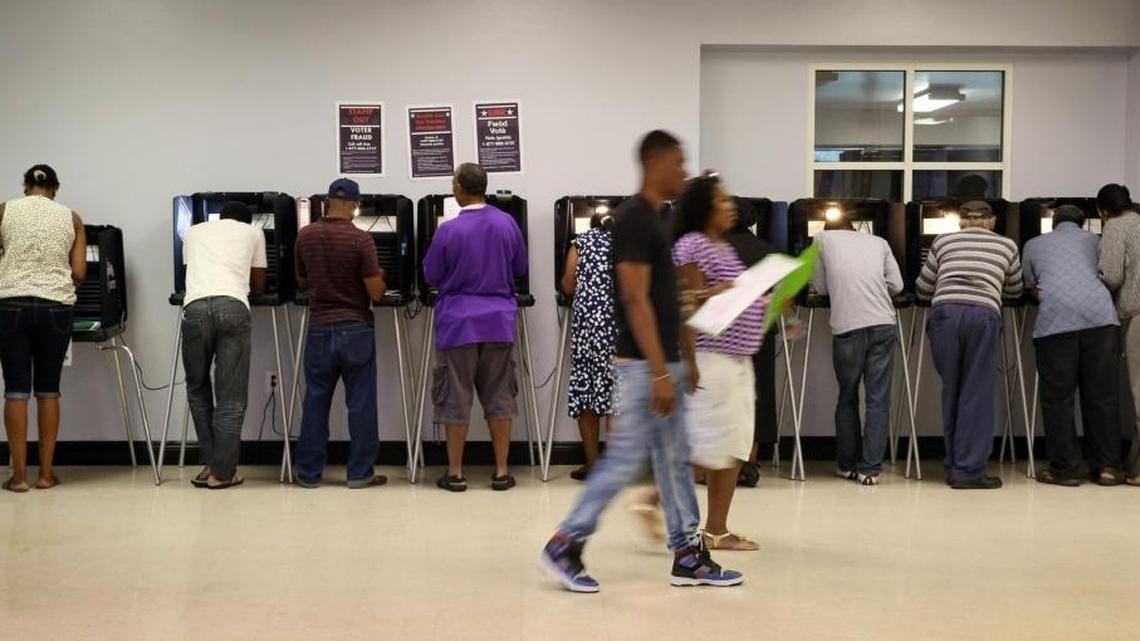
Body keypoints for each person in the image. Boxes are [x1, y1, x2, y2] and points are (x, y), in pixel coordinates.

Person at [540, 131, 743, 592]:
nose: (684, 173)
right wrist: (657, 370)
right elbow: (633, 299)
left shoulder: (656, 219)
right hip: (640, 367)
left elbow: (659, 295)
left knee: (672, 460)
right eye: (678, 163)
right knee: (626, 460)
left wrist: (681, 356)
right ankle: (565, 542)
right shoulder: (634, 219)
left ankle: (689, 554)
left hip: (661, 362)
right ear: (655, 163)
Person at [670, 173, 766, 550]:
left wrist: (772, 301)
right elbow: (687, 303)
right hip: (711, 358)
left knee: (729, 445)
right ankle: (703, 524)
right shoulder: (693, 245)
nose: (730, 207)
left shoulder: (722, 247)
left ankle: (715, 528)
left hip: (736, 359)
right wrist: (690, 361)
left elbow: (732, 299)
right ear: (704, 209)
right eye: (722, 201)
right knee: (714, 446)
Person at [424, 163, 528, 492]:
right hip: (498, 321)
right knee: (499, 397)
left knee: (456, 396)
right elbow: (520, 267)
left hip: (458, 323)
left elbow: (431, 275)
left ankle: (455, 473)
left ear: (458, 188)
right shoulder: (507, 223)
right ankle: (501, 472)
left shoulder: (448, 230)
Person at [916, 200, 1022, 490]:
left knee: (952, 389)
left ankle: (954, 463)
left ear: (961, 221)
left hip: (945, 315)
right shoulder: (1007, 245)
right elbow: (1015, 288)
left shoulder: (942, 242)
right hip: (982, 314)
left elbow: (923, 287)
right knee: (976, 391)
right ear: (992, 221)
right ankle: (968, 470)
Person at [294, 178, 386, 489]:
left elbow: (302, 281)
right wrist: (381, 278)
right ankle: (360, 473)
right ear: (356, 204)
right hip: (355, 329)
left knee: (315, 402)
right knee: (360, 403)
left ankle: (308, 474)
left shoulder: (305, 236)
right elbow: (375, 292)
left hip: (320, 327)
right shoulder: (361, 240)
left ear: (327, 202)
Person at [0, 165, 86, 493]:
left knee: (16, 389)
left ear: (25, 187)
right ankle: (47, 474)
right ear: (54, 189)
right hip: (55, 307)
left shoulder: (5, 210)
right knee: (49, 389)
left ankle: (19, 477)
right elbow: (78, 272)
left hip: (11, 306)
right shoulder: (72, 218)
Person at [1024, 204, 1121, 486]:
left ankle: (1064, 470)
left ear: (1054, 222)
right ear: (1085, 223)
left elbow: (1031, 285)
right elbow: (1110, 275)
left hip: (1057, 322)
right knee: (1102, 397)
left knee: (1058, 399)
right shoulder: (1099, 241)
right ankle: (1107, 469)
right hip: (1101, 320)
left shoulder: (1034, 243)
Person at [180, 201, 267, 489]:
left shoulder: (193, 231)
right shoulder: (253, 232)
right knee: (231, 397)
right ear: (246, 219)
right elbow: (259, 282)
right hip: (232, 306)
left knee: (197, 389)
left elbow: (190, 270)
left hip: (193, 309)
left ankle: (210, 464)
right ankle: (223, 473)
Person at [812, 215, 904, 485]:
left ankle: (847, 465)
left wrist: (842, 290)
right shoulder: (879, 241)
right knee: (878, 400)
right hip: (883, 324)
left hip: (848, 326)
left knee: (848, 396)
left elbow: (820, 285)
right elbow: (897, 286)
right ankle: (870, 470)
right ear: (854, 229)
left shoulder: (821, 239)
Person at [723, 198, 777, 488]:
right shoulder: (767, 250)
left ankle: (721, 468)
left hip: (723, 334)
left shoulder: (716, 250)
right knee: (756, 396)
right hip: (760, 332)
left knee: (723, 398)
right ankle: (749, 463)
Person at [561, 212, 617, 481]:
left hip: (588, 328)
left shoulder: (581, 242)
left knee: (587, 393)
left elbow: (569, 285)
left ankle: (593, 464)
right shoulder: (626, 243)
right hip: (619, 327)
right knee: (616, 396)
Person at [1097, 183, 1140, 486]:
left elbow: (1112, 275)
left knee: (1138, 393)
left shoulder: (1114, 226)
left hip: (1137, 313)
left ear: (1103, 211)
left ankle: (1137, 469)